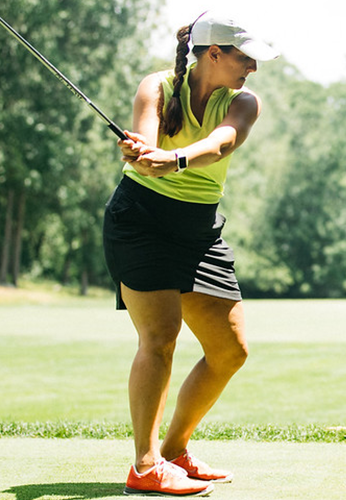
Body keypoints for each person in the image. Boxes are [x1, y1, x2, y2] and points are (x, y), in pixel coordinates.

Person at [103, 9, 278, 497]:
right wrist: (142, 154)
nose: (254, 68)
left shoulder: (243, 102)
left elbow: (223, 143)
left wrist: (173, 160)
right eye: (246, 58)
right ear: (214, 54)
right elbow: (147, 144)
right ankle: (144, 463)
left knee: (230, 350)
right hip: (141, 221)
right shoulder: (156, 88)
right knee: (160, 337)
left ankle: (175, 450)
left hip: (198, 230)